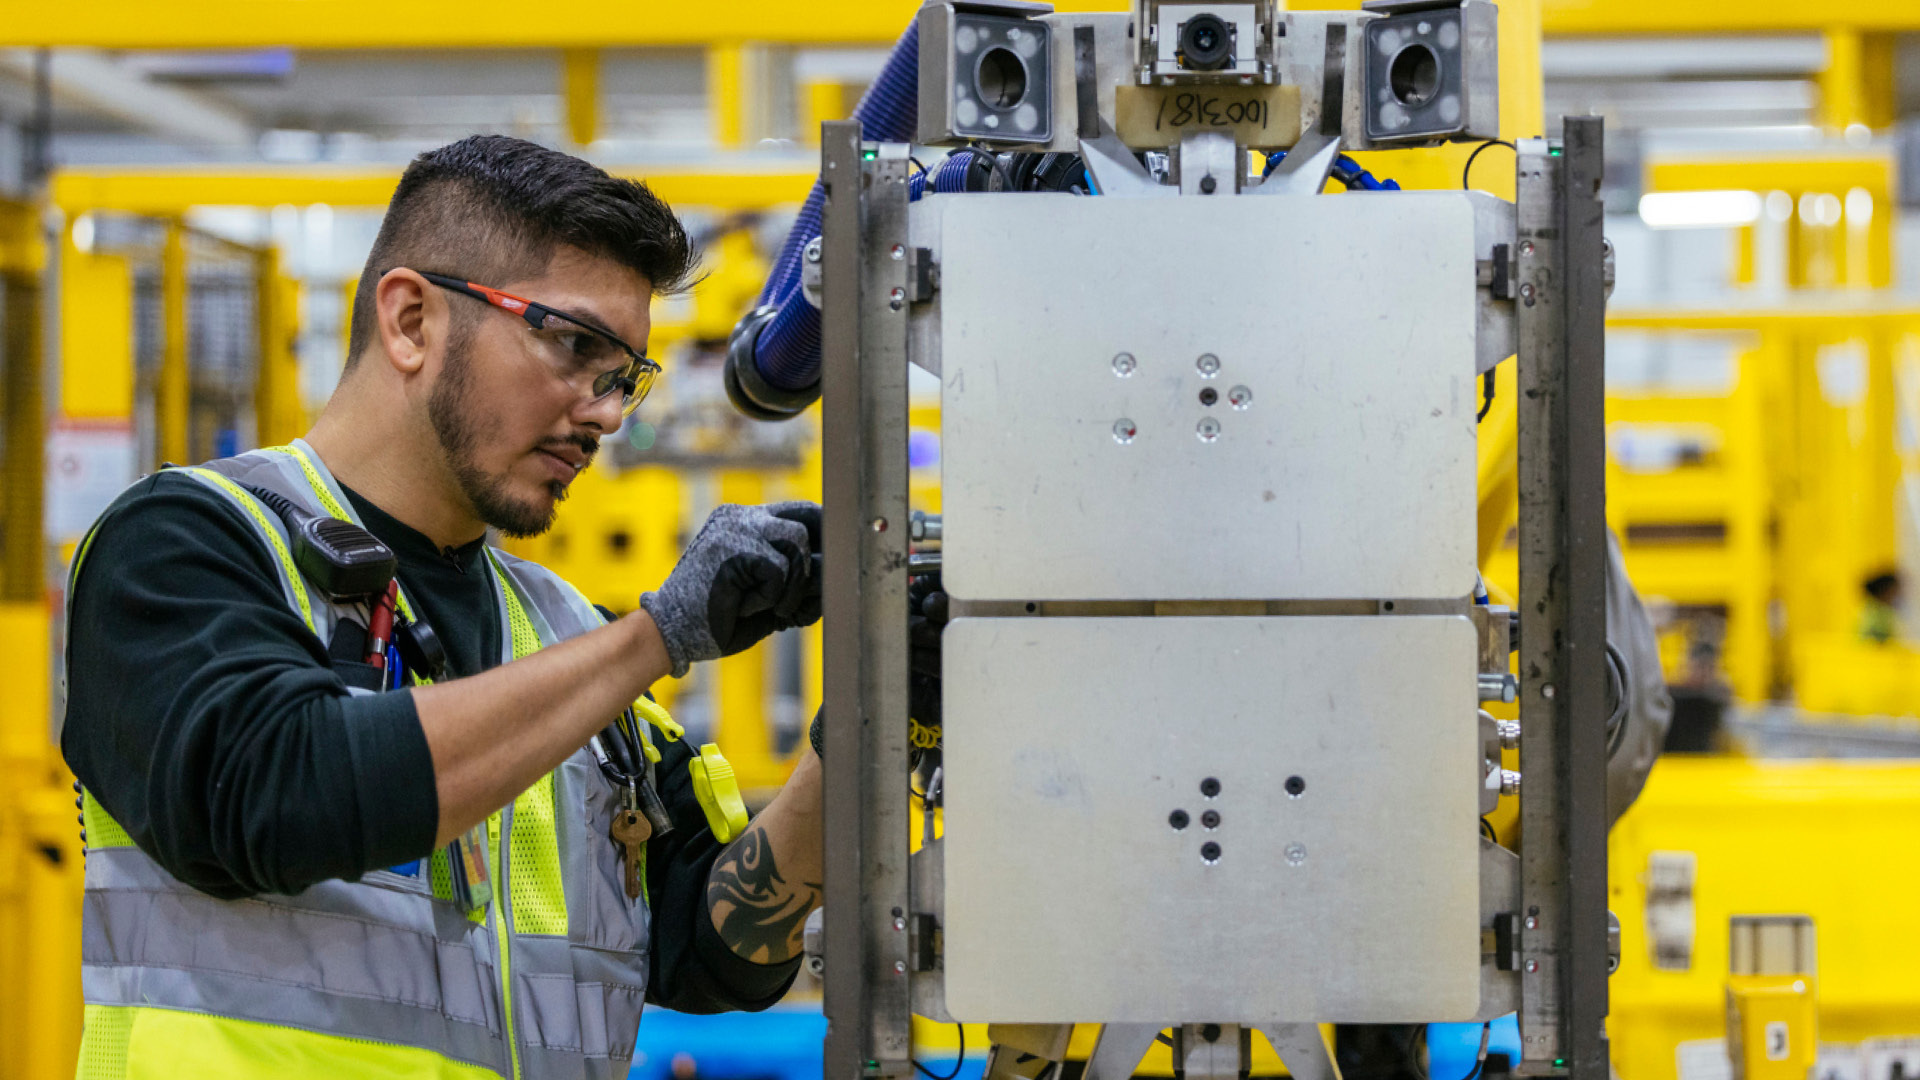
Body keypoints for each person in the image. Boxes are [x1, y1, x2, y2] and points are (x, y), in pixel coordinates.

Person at [61, 135, 826, 1079]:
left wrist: (866, 727)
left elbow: (714, 953)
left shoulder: (560, 631)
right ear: (413, 320)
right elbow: (274, 795)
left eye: (623, 374)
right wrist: (658, 636)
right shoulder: (188, 543)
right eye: (575, 345)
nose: (607, 412)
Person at [1860, 569, 1903, 644]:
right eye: (1894, 591)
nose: (1897, 595)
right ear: (1884, 592)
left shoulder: (1877, 609)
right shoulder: (1877, 615)